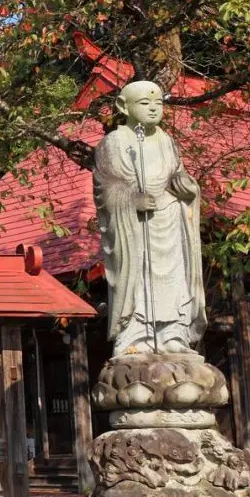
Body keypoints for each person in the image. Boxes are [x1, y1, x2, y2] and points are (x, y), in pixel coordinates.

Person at [93, 79, 206, 356]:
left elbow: (177, 176)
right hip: (134, 227)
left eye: (158, 103)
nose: (154, 109)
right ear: (124, 106)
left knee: (174, 281)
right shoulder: (114, 143)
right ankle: (136, 334)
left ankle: (173, 334)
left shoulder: (168, 142)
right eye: (145, 103)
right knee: (138, 279)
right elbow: (104, 187)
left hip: (169, 219)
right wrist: (131, 200)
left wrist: (189, 189)